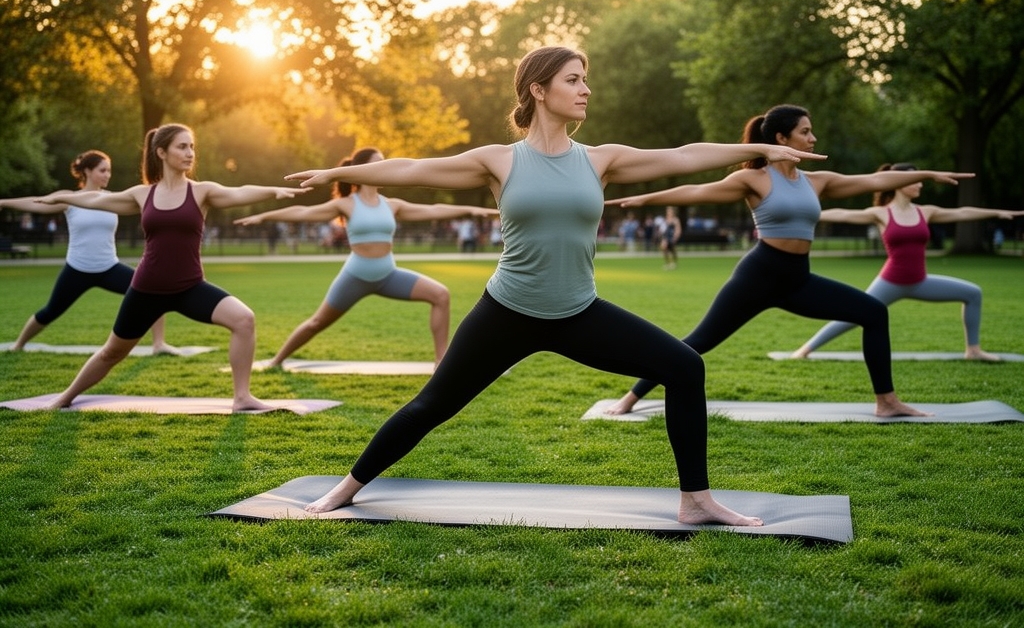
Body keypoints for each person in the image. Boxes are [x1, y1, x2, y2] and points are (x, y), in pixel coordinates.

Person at [284, 46, 825, 525]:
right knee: (432, 406)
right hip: (507, 311)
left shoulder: (600, 159)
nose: (585, 89)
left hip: (578, 312)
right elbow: (416, 168)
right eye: (573, 79)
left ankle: (697, 499)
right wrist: (334, 177)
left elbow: (682, 156)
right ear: (538, 90)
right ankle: (347, 487)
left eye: (585, 79)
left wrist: (759, 152)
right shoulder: (499, 160)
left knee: (686, 366)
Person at [603, 104, 973, 419]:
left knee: (874, 312)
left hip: (799, 279)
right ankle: (631, 397)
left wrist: (925, 174)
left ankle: (887, 401)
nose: (813, 139)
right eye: (805, 132)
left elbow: (873, 179)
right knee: (700, 339)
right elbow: (698, 190)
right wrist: (644, 200)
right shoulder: (754, 178)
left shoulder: (818, 181)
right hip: (759, 275)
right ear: (781, 138)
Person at [36, 124, 311, 411]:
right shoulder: (143, 195)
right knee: (112, 353)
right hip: (147, 289)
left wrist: (273, 191)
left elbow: (239, 192)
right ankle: (65, 398)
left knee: (244, 320)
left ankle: (242, 397)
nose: (190, 153)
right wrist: (62, 197)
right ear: (161, 152)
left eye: (192, 146)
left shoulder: (202, 192)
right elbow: (99, 199)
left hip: (189, 287)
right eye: (182, 146)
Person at [234, 147, 498, 367]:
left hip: (388, 275)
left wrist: (475, 210)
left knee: (440, 295)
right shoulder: (346, 204)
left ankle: (441, 362)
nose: (386, 167)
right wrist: (264, 216)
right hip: (356, 276)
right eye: (379, 164)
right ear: (362, 170)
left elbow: (434, 209)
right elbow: (303, 212)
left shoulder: (391, 204)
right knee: (316, 323)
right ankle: (276, 361)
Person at [792, 163, 1024, 362]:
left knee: (973, 293)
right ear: (900, 182)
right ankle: (805, 350)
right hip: (891, 282)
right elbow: (841, 214)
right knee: (855, 315)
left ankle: (973, 350)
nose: (920, 184)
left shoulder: (926, 212)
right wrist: (800, 212)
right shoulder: (881, 213)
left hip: (920, 280)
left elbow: (962, 212)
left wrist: (997, 213)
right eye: (916, 179)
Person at [0, 150, 177, 354]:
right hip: (77, 269)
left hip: (109, 267)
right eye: (103, 170)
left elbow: (149, 201)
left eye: (109, 171)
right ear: (87, 171)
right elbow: (36, 202)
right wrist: (3, 203)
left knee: (151, 291)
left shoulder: (113, 199)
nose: (107, 175)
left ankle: (158, 344)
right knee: (50, 311)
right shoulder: (69, 199)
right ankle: (18, 345)